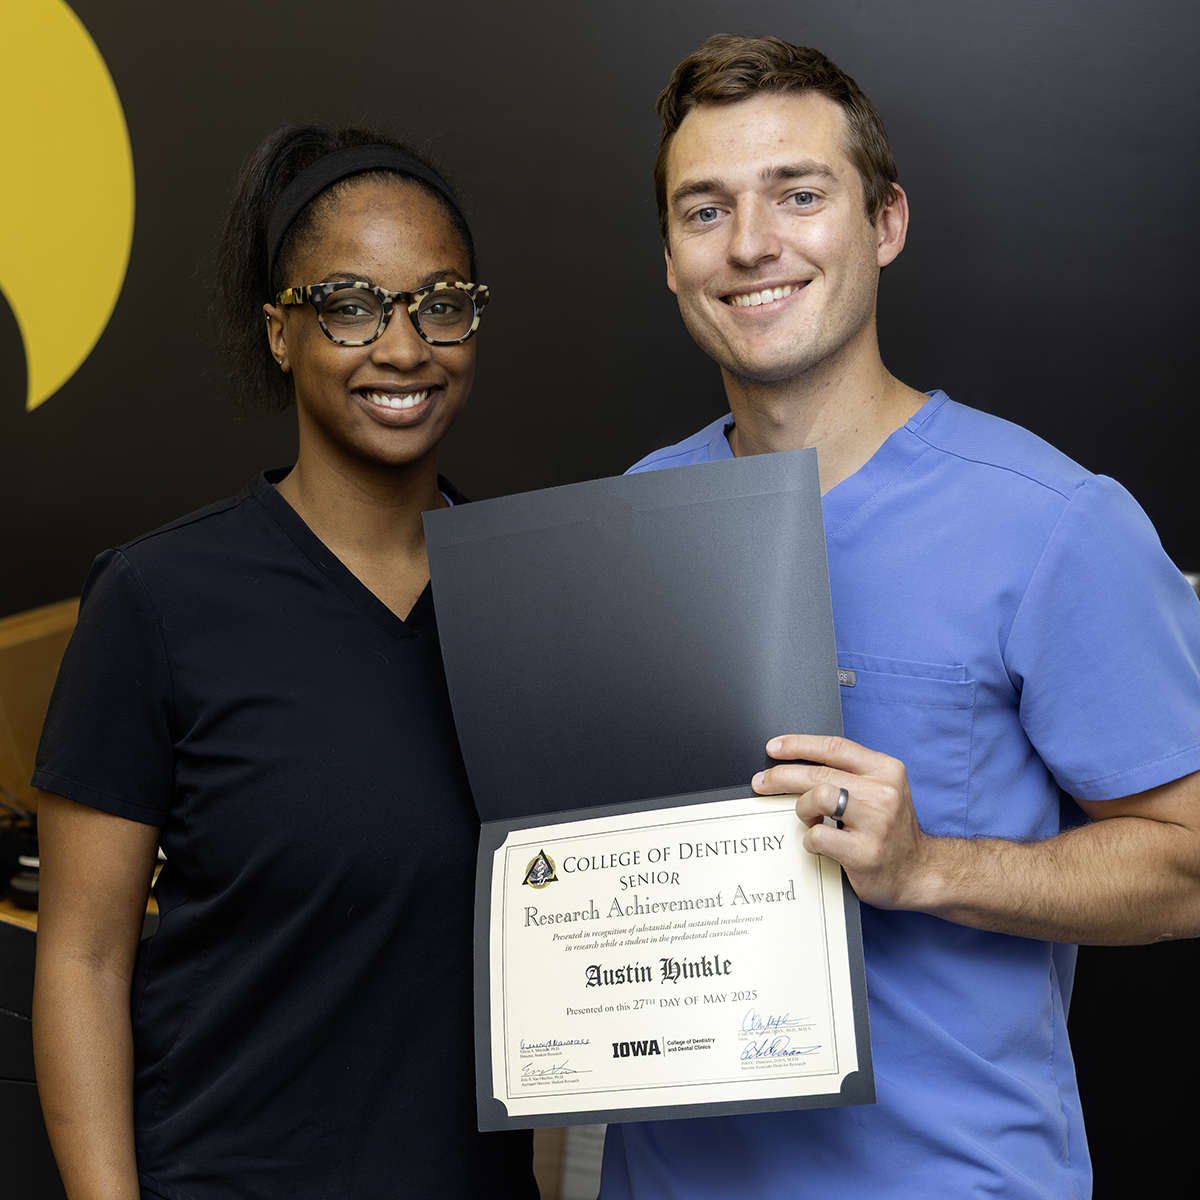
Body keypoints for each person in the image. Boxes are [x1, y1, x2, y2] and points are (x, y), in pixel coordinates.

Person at [599, 34, 1200, 1200]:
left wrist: (928, 867)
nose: (752, 244)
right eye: (706, 210)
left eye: (800, 194)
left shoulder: (1056, 521)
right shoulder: (634, 515)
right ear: (671, 261)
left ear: (886, 222)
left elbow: (1189, 862)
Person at [31, 123, 536, 1200]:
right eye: (350, 305)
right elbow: (81, 960)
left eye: (441, 303)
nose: (404, 348)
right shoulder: (160, 599)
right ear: (279, 331)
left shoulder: (537, 600)